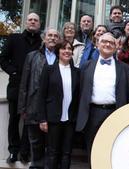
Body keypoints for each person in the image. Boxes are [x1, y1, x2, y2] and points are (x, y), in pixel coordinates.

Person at [75, 32, 129, 165]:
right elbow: (80, 91)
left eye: (111, 42)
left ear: (116, 46)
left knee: (113, 150)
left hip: (115, 113)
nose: (107, 44)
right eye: (104, 41)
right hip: (92, 113)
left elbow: (127, 93)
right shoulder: (86, 66)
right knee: (93, 151)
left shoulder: (125, 68)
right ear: (97, 44)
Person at [0, 12, 42, 163]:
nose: (32, 22)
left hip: (33, 90)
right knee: (14, 120)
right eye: (30, 19)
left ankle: (24, 152)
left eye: (35, 20)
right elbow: (3, 59)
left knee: (29, 121)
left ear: (39, 24)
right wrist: (14, 71)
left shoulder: (41, 43)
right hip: (16, 87)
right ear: (26, 22)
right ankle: (13, 151)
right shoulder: (14, 38)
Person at [18, 28, 60, 169]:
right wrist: (22, 108)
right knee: (35, 145)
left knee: (52, 147)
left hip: (53, 109)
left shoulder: (62, 58)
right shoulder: (32, 56)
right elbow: (24, 83)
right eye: (50, 35)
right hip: (33, 107)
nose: (52, 38)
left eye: (55, 36)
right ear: (44, 38)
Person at [38, 40, 80, 169]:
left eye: (69, 49)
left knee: (67, 153)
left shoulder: (77, 72)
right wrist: (42, 119)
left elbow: (78, 96)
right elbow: (41, 96)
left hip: (70, 119)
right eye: (63, 48)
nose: (67, 51)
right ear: (58, 51)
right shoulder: (49, 69)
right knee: (52, 152)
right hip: (52, 118)